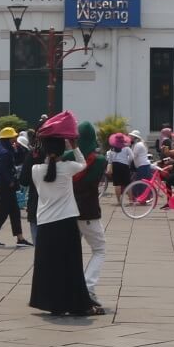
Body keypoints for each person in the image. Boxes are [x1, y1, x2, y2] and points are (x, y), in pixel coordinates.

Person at [29, 133, 103, 316]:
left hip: (45, 222)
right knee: (70, 266)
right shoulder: (68, 167)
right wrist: (74, 146)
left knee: (48, 266)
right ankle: (77, 304)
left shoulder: (36, 170)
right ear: (62, 150)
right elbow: (83, 164)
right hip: (66, 222)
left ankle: (53, 304)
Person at [67, 121, 106, 306]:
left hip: (69, 210)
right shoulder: (99, 160)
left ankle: (70, 287)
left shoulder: (67, 157)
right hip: (88, 210)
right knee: (99, 249)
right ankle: (88, 287)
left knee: (72, 252)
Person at [0, 127, 31, 247]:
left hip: (7, 185)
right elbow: (1, 169)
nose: (15, 139)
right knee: (2, 212)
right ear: (7, 138)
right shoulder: (3, 152)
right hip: (6, 186)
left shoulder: (4, 148)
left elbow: (18, 158)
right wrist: (10, 181)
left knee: (14, 211)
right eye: (13, 137)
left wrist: (19, 148)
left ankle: (20, 238)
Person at [105, 133, 132, 202]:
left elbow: (109, 160)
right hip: (125, 166)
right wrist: (128, 163)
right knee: (128, 184)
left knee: (117, 184)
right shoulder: (126, 148)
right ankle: (131, 200)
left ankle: (118, 201)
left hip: (115, 166)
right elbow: (132, 157)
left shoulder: (112, 149)